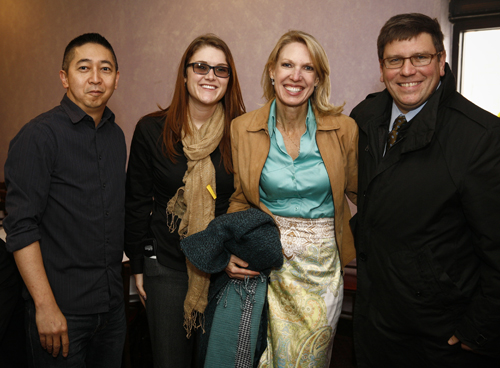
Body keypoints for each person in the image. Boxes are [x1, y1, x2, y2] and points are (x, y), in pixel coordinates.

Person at [350, 13, 500, 367]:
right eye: (395, 60)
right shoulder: (364, 117)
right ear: (382, 66)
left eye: (420, 57)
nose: (408, 71)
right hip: (373, 316)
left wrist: (475, 331)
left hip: (437, 335)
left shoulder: (480, 138)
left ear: (441, 60)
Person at [227, 30, 358, 367]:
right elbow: (241, 199)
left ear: (318, 79)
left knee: (309, 359)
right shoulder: (242, 128)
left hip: (323, 271)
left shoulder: (344, 129)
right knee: (262, 358)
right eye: (287, 64)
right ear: (272, 71)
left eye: (308, 68)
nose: (296, 76)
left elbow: (365, 195)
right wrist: (228, 248)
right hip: (268, 266)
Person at [3, 33, 126, 367]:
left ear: (117, 78)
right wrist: (45, 307)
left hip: (112, 309)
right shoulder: (38, 136)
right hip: (62, 311)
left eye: (106, 69)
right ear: (64, 77)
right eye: (84, 68)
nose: (96, 78)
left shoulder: (116, 136)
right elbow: (21, 227)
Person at [124, 34, 245, 367]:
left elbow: (249, 200)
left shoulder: (242, 132)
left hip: (224, 269)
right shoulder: (152, 129)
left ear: (230, 80)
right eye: (201, 66)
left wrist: (236, 251)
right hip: (166, 267)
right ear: (185, 74)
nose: (210, 76)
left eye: (221, 70)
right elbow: (136, 202)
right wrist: (139, 264)